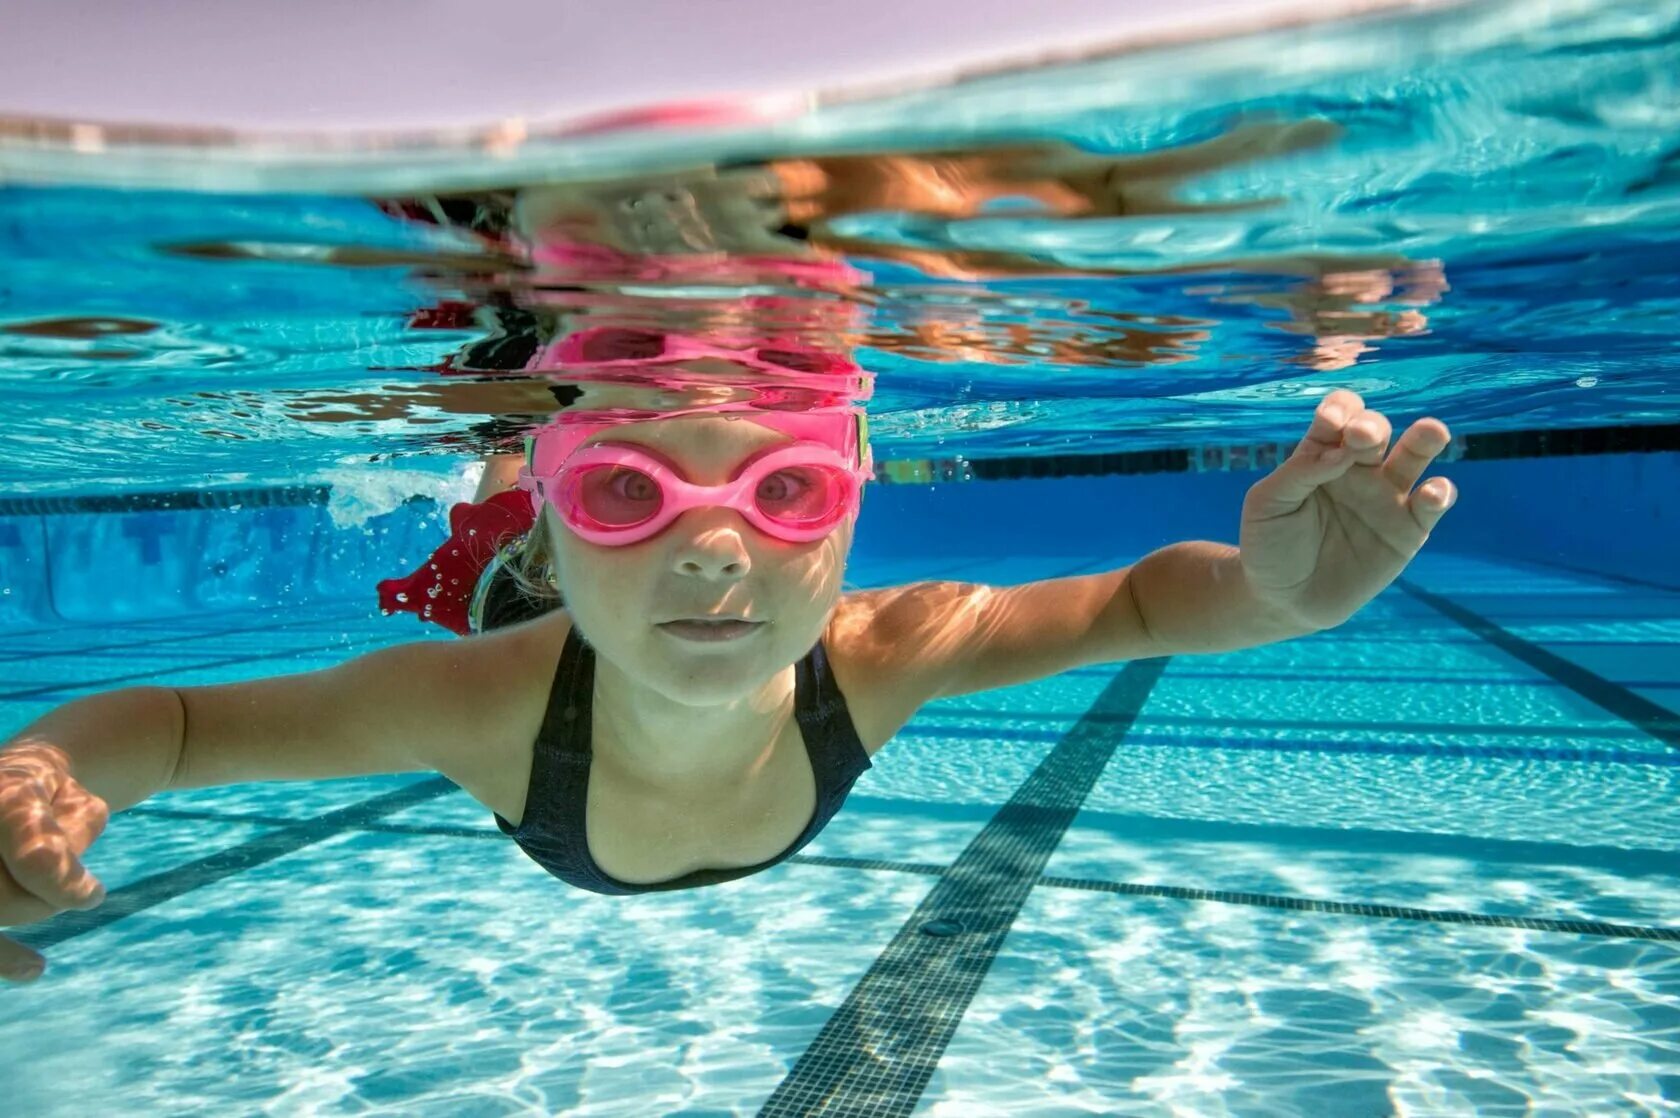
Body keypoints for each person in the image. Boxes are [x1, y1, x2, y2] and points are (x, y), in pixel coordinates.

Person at [0, 384, 1457, 983]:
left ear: (849, 520)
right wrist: (49, 772)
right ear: (578, 531)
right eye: (635, 484)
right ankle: (523, 481)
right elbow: (182, 727)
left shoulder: (885, 649)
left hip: (572, 583)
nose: (715, 546)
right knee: (482, 530)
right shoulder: (484, 699)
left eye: (786, 486)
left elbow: (1138, 600)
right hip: (522, 597)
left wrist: (1272, 594)